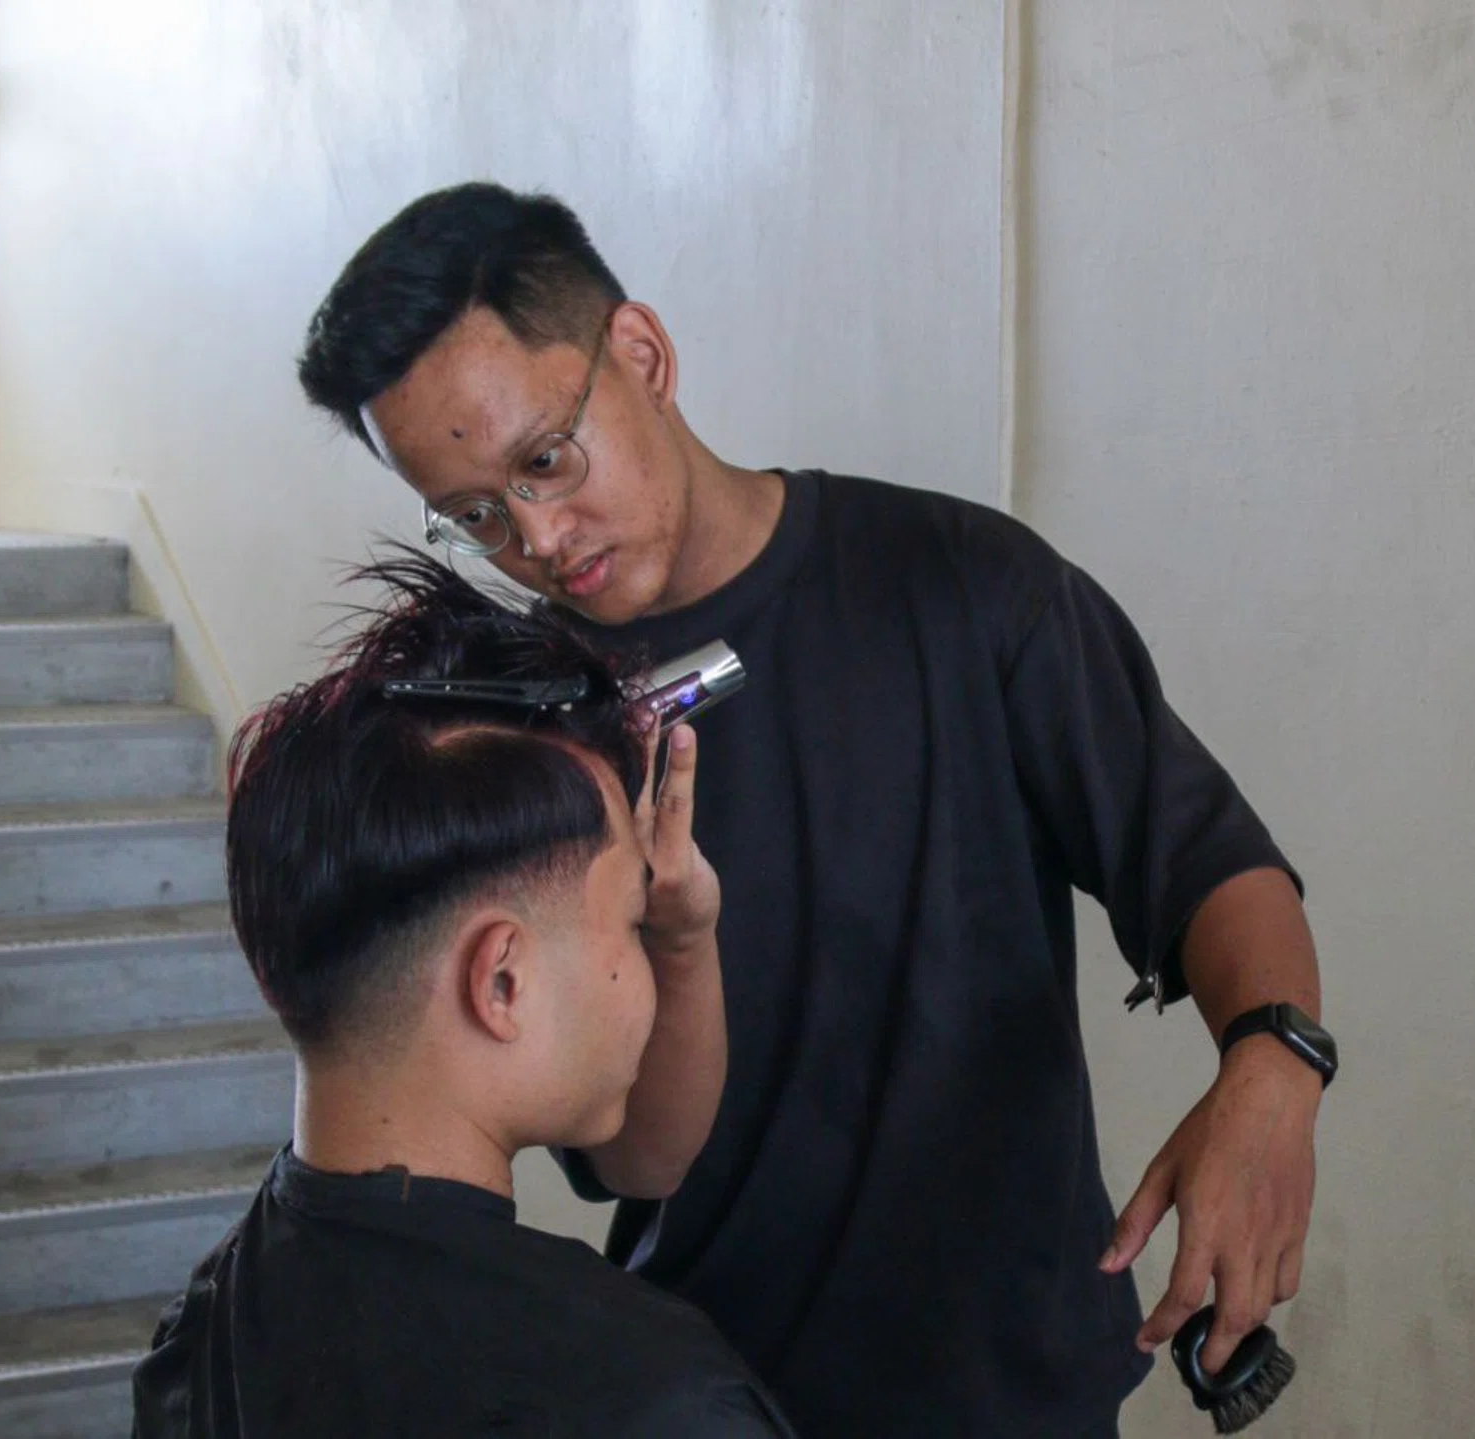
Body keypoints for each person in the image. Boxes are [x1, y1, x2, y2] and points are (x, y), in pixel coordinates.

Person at [296, 183, 1335, 1438]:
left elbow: (1211, 863)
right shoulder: (530, 740)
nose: (538, 537)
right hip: (708, 1401)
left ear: (643, 354)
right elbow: (633, 1163)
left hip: (1013, 1392)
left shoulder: (965, 586)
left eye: (544, 460)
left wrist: (1275, 1065)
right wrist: (678, 941)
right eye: (474, 517)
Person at [130, 555, 796, 1438]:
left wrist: (676, 927)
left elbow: (652, 1159)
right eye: (632, 924)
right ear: (502, 981)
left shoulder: (201, 1335)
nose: (644, 976)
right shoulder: (654, 1398)